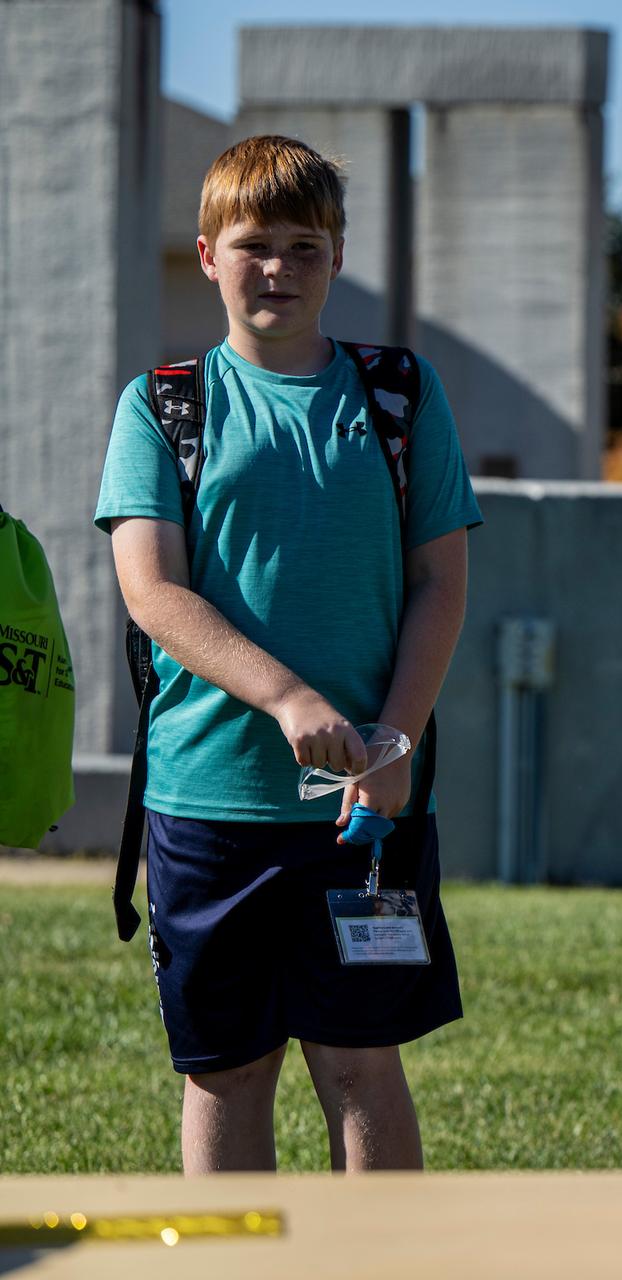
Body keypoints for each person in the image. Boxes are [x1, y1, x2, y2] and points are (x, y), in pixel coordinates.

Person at [95, 135, 480, 1173]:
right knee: (228, 1068)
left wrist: (394, 736)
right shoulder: (165, 403)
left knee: (363, 1063)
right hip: (211, 796)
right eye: (254, 244)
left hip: (367, 805)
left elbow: (439, 583)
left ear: (339, 256)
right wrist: (285, 695)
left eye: (304, 246)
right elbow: (152, 589)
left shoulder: (399, 394)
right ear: (209, 252)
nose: (278, 268)